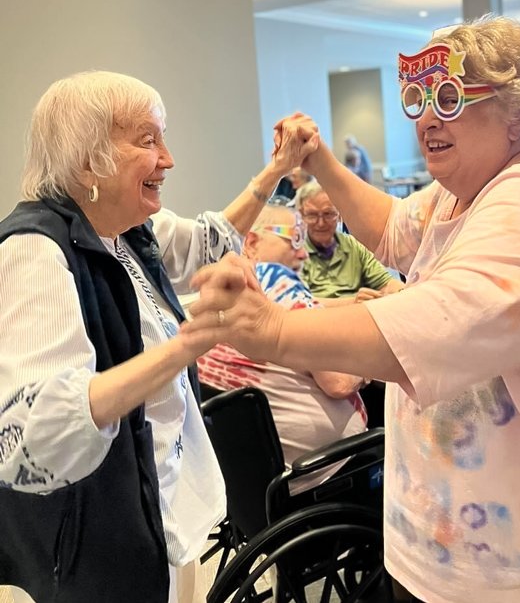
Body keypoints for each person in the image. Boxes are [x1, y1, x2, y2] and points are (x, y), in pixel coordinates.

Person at [183, 16, 520, 603]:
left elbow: (434, 329)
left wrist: (273, 329)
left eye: (449, 98)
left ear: (516, 113)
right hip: (459, 543)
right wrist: (317, 163)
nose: (426, 116)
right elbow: (396, 228)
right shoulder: (473, 183)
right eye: (418, 98)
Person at [0, 70, 311, 603]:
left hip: (168, 511)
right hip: (98, 545)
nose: (168, 159)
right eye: (148, 140)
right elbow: (29, 436)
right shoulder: (36, 252)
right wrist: (188, 343)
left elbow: (209, 243)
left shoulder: (127, 230)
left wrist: (279, 169)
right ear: (87, 160)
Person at [195, 205, 367, 493]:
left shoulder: (226, 283)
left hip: (248, 480)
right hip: (321, 472)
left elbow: (292, 309)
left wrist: (351, 303)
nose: (303, 253)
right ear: (251, 241)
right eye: (295, 239)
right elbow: (338, 383)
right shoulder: (280, 279)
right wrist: (366, 367)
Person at [296, 181, 404, 303]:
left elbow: (386, 283)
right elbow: (296, 302)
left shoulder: (353, 245)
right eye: (312, 215)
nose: (321, 223)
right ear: (300, 215)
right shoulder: (291, 252)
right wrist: (352, 302)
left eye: (328, 214)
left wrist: (403, 292)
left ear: (339, 214)